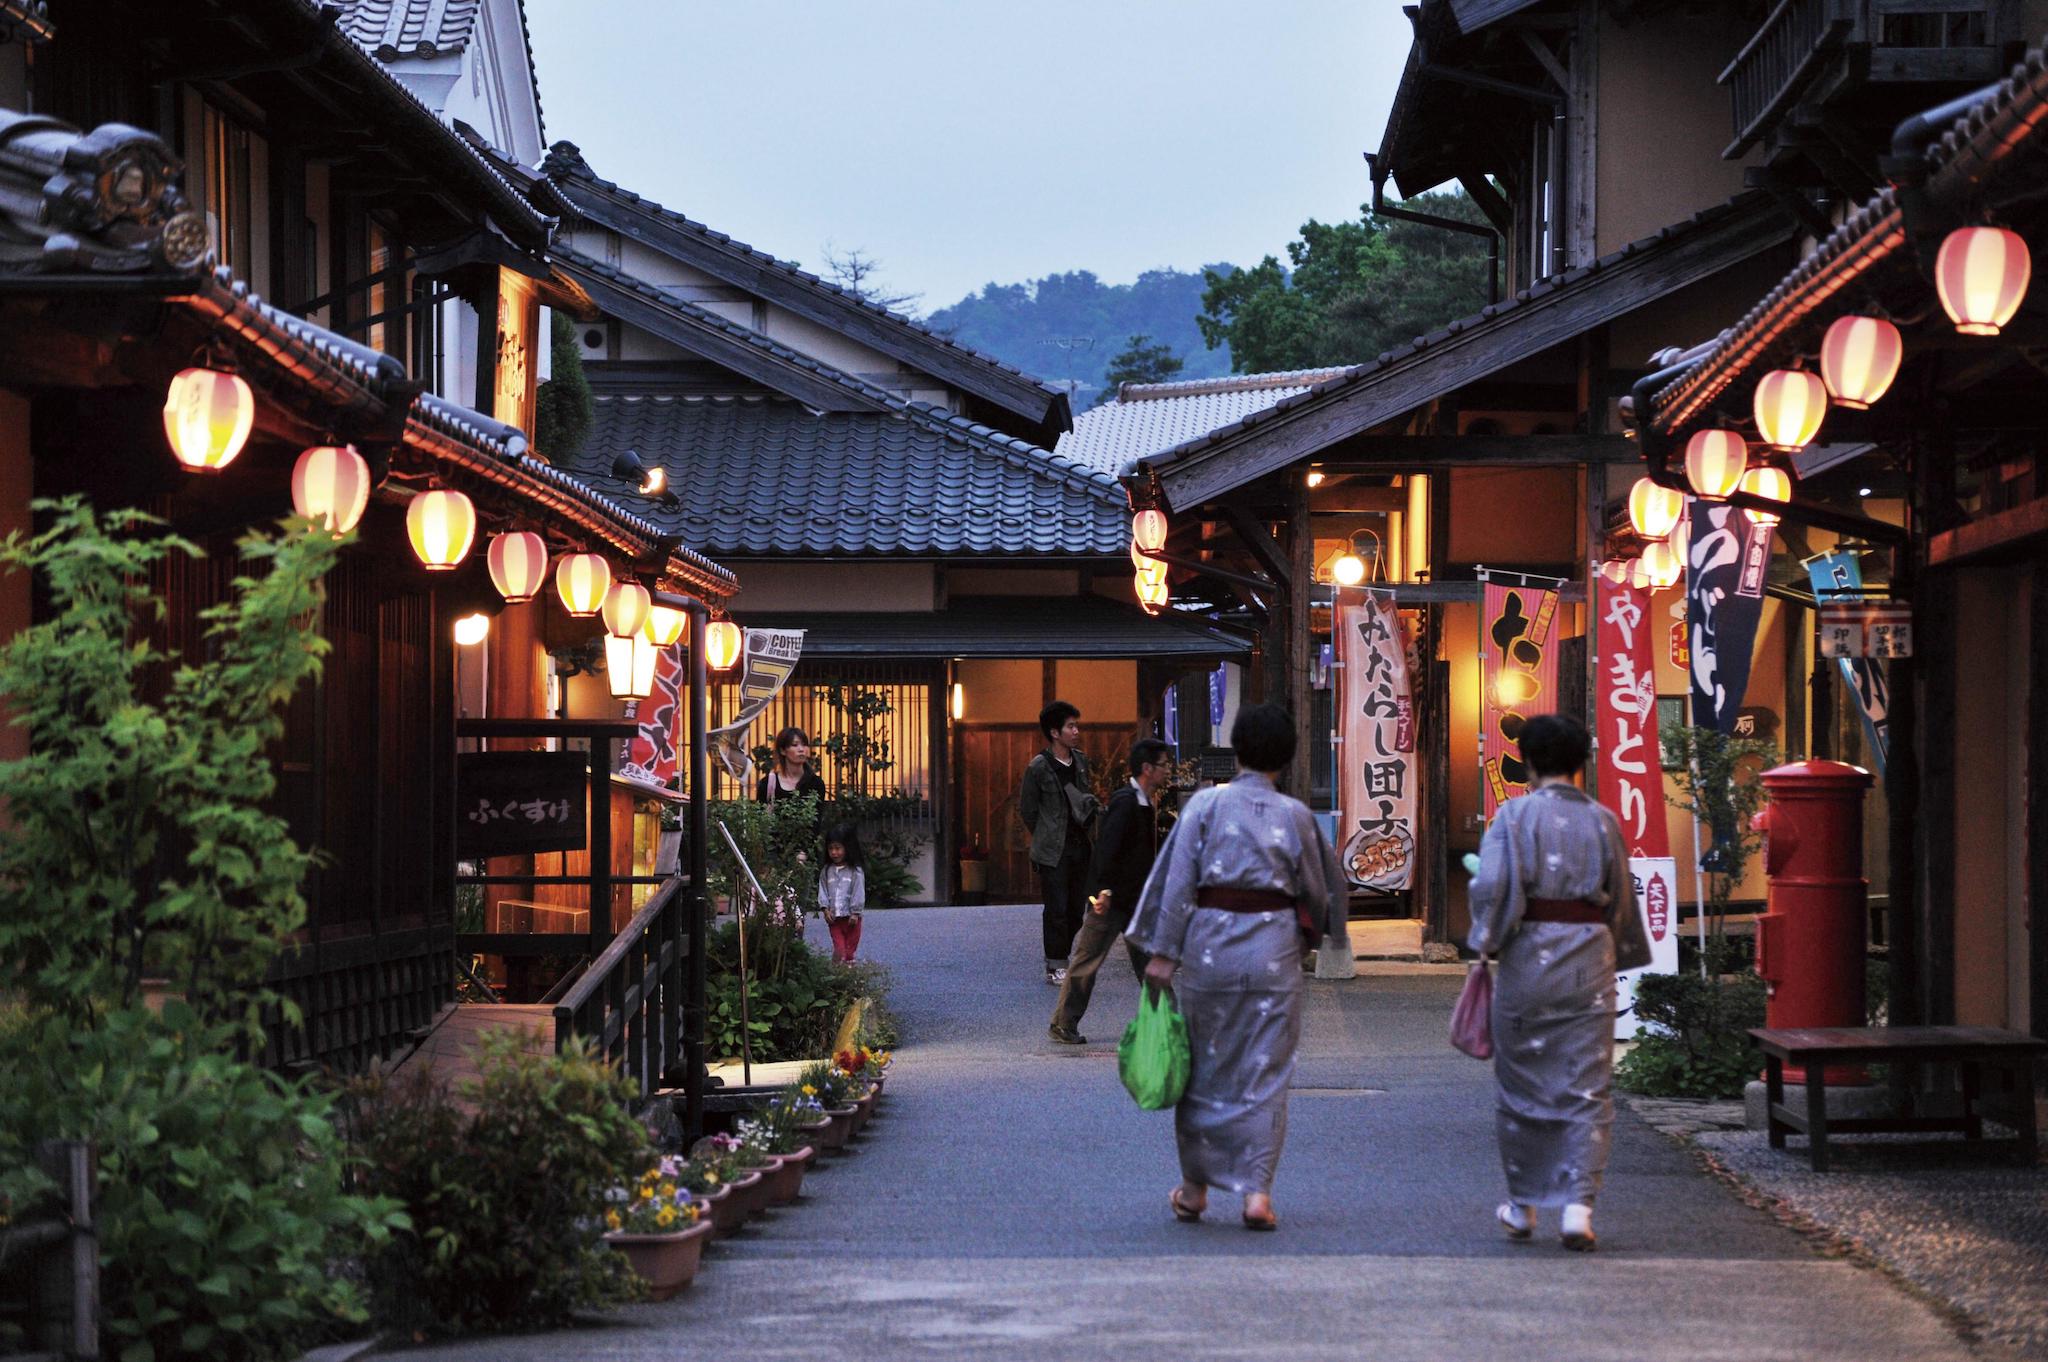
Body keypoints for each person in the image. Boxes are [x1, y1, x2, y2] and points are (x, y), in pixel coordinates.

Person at [1125, 703, 1346, 1232]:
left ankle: (1196, 1190)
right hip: (1273, 951)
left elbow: (1177, 884)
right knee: (1266, 1072)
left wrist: (1163, 952)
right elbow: (1320, 889)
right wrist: (1318, 936)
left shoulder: (1204, 808)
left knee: (1203, 1068)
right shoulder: (1296, 816)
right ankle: (1256, 1194)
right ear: (1287, 758)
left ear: (1237, 750)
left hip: (1209, 950)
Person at [1465, 712, 1651, 1254]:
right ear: (1581, 762)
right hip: (1590, 958)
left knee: (1521, 1083)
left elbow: (1496, 885)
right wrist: (1616, 947)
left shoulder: (1513, 817)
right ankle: (1578, 1208)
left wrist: (1489, 938)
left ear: (1527, 761)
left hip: (1529, 961)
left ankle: (1522, 1206)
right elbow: (1620, 897)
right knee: (1588, 1084)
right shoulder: (1602, 820)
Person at [1048, 737, 1171, 1045]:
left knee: (1151, 964)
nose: (1168, 770)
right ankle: (1063, 1023)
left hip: (1133, 901)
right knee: (1087, 961)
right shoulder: (1126, 801)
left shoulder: (1144, 803)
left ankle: (1169, 1024)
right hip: (1112, 899)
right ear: (1147, 768)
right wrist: (1102, 890)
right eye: (1164, 765)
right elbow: (1106, 848)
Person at [1017, 700, 1096, 984]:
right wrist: (1043, 834)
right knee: (1056, 909)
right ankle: (1056, 964)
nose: (1076, 731)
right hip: (1053, 849)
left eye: (1076, 725)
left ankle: (1061, 956)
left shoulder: (1082, 761)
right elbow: (1027, 809)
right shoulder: (1038, 767)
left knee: (1077, 909)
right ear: (1054, 732)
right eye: (1070, 726)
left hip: (1081, 845)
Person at [817, 822, 866, 963]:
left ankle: (848, 975)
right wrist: (825, 909)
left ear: (847, 848)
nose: (834, 852)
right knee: (839, 949)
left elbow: (858, 891)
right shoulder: (826, 871)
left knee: (850, 951)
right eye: (831, 848)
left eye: (838, 848)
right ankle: (838, 973)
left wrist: (855, 912)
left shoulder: (855, 871)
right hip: (834, 919)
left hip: (852, 919)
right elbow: (823, 890)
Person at [756, 726, 826, 807]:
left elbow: (817, 817)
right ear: (782, 750)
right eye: (795, 745)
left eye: (804, 745)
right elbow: (760, 816)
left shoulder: (816, 784)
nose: (801, 749)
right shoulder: (767, 783)